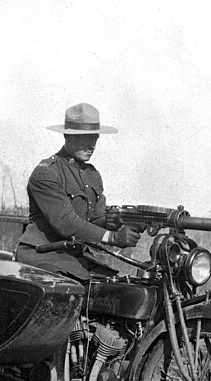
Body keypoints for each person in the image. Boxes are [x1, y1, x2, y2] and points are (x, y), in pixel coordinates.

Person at [15, 103, 140, 281]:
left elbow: (94, 219)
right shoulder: (47, 172)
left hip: (77, 258)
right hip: (44, 254)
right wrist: (113, 237)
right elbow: (66, 222)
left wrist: (110, 221)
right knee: (65, 296)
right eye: (85, 138)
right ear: (68, 136)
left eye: (95, 139)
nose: (92, 145)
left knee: (123, 291)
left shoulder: (92, 175)